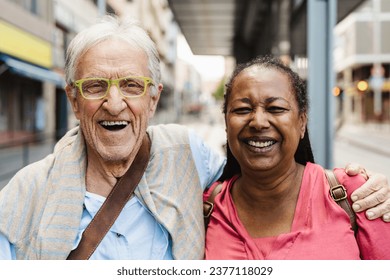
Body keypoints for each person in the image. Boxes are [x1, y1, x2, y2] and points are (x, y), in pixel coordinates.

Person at [0, 16, 388, 260]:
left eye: (132, 86)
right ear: (73, 97)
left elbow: (264, 172)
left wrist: (374, 187)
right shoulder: (21, 199)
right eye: (95, 86)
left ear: (154, 98)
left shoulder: (187, 157)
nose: (114, 103)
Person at [204, 55, 390, 260]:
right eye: (242, 109)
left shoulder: (359, 196)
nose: (258, 122)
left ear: (302, 123)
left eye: (276, 108)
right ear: (226, 123)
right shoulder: (205, 209)